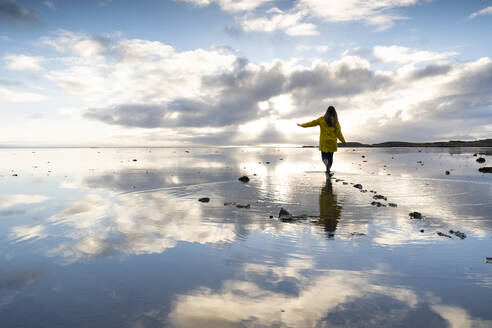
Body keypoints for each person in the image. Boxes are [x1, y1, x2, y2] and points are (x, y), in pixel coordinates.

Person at [297, 106, 346, 174]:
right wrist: (343, 141)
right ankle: (328, 169)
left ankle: (326, 163)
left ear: (327, 112)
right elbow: (339, 133)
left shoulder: (322, 119)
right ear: (335, 113)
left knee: (324, 155)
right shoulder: (336, 122)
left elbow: (311, 123)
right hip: (332, 142)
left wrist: (302, 125)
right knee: (331, 156)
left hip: (324, 141)